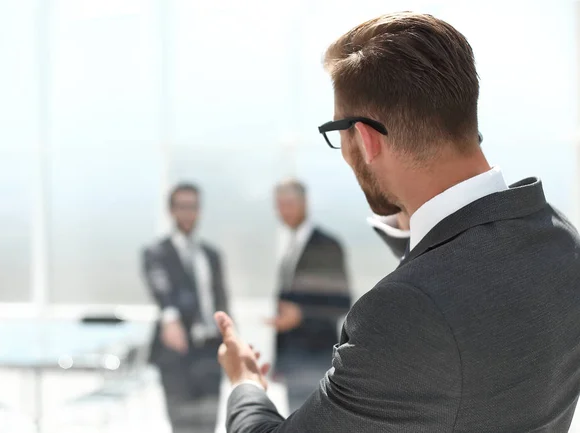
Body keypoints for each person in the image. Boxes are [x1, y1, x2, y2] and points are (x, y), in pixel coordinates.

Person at [215, 12, 580, 433]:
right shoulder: (559, 241)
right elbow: (464, 267)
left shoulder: (405, 311)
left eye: (339, 131)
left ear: (366, 139)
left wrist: (244, 383)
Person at [141, 182, 228, 433]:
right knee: (183, 425)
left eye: (193, 206)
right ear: (171, 210)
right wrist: (170, 317)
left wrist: (232, 342)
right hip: (177, 352)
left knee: (208, 424)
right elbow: (161, 286)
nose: (188, 212)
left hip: (211, 351)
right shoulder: (156, 253)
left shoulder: (211, 255)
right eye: (182, 206)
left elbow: (222, 301)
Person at [266, 179, 351, 412]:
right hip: (293, 361)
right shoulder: (289, 248)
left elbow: (342, 302)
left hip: (316, 357)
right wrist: (279, 362)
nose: (284, 210)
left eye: (289, 203)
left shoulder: (327, 246)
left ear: (305, 203)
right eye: (279, 204)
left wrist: (301, 314)